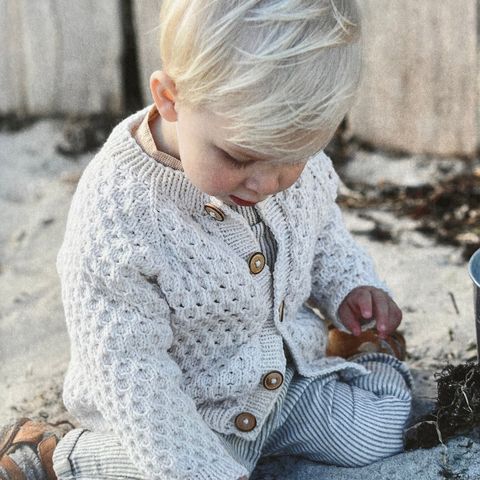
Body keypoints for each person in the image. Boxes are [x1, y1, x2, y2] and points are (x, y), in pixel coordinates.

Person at [0, 1, 413, 479]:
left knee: (378, 430)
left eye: (292, 160)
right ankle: (59, 454)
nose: (266, 183)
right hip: (182, 412)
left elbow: (320, 231)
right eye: (239, 158)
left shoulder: (281, 153)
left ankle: (357, 345)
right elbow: (134, 375)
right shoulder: (120, 216)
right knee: (183, 466)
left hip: (283, 384)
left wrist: (351, 286)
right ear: (169, 97)